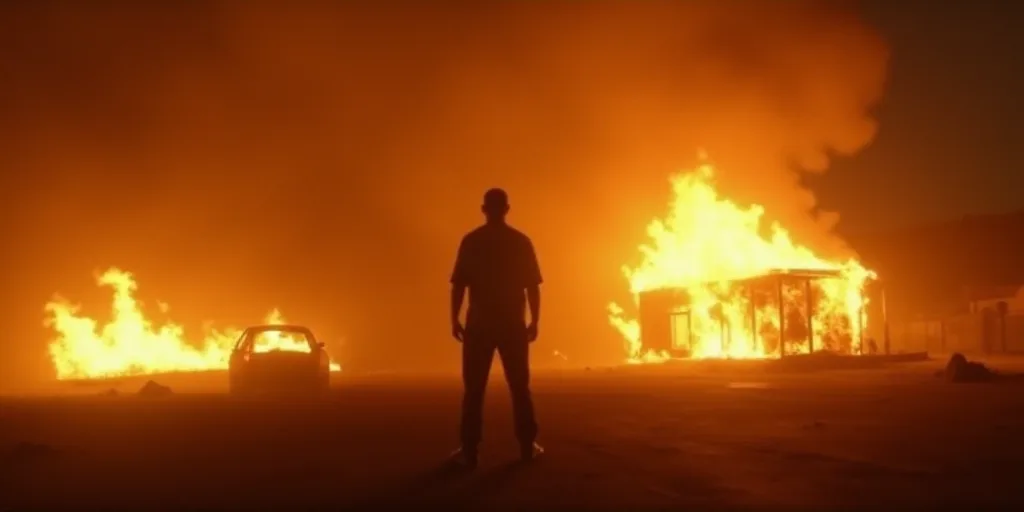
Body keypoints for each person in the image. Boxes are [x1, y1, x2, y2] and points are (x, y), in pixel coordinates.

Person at [448, 187, 543, 469]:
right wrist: (535, 320)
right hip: (512, 323)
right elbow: (532, 286)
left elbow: (459, 285)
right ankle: (526, 446)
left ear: (483, 209)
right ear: (507, 209)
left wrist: (454, 319)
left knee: (474, 388)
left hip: (480, 323)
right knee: (519, 386)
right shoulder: (520, 242)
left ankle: (470, 450)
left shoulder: (472, 241)